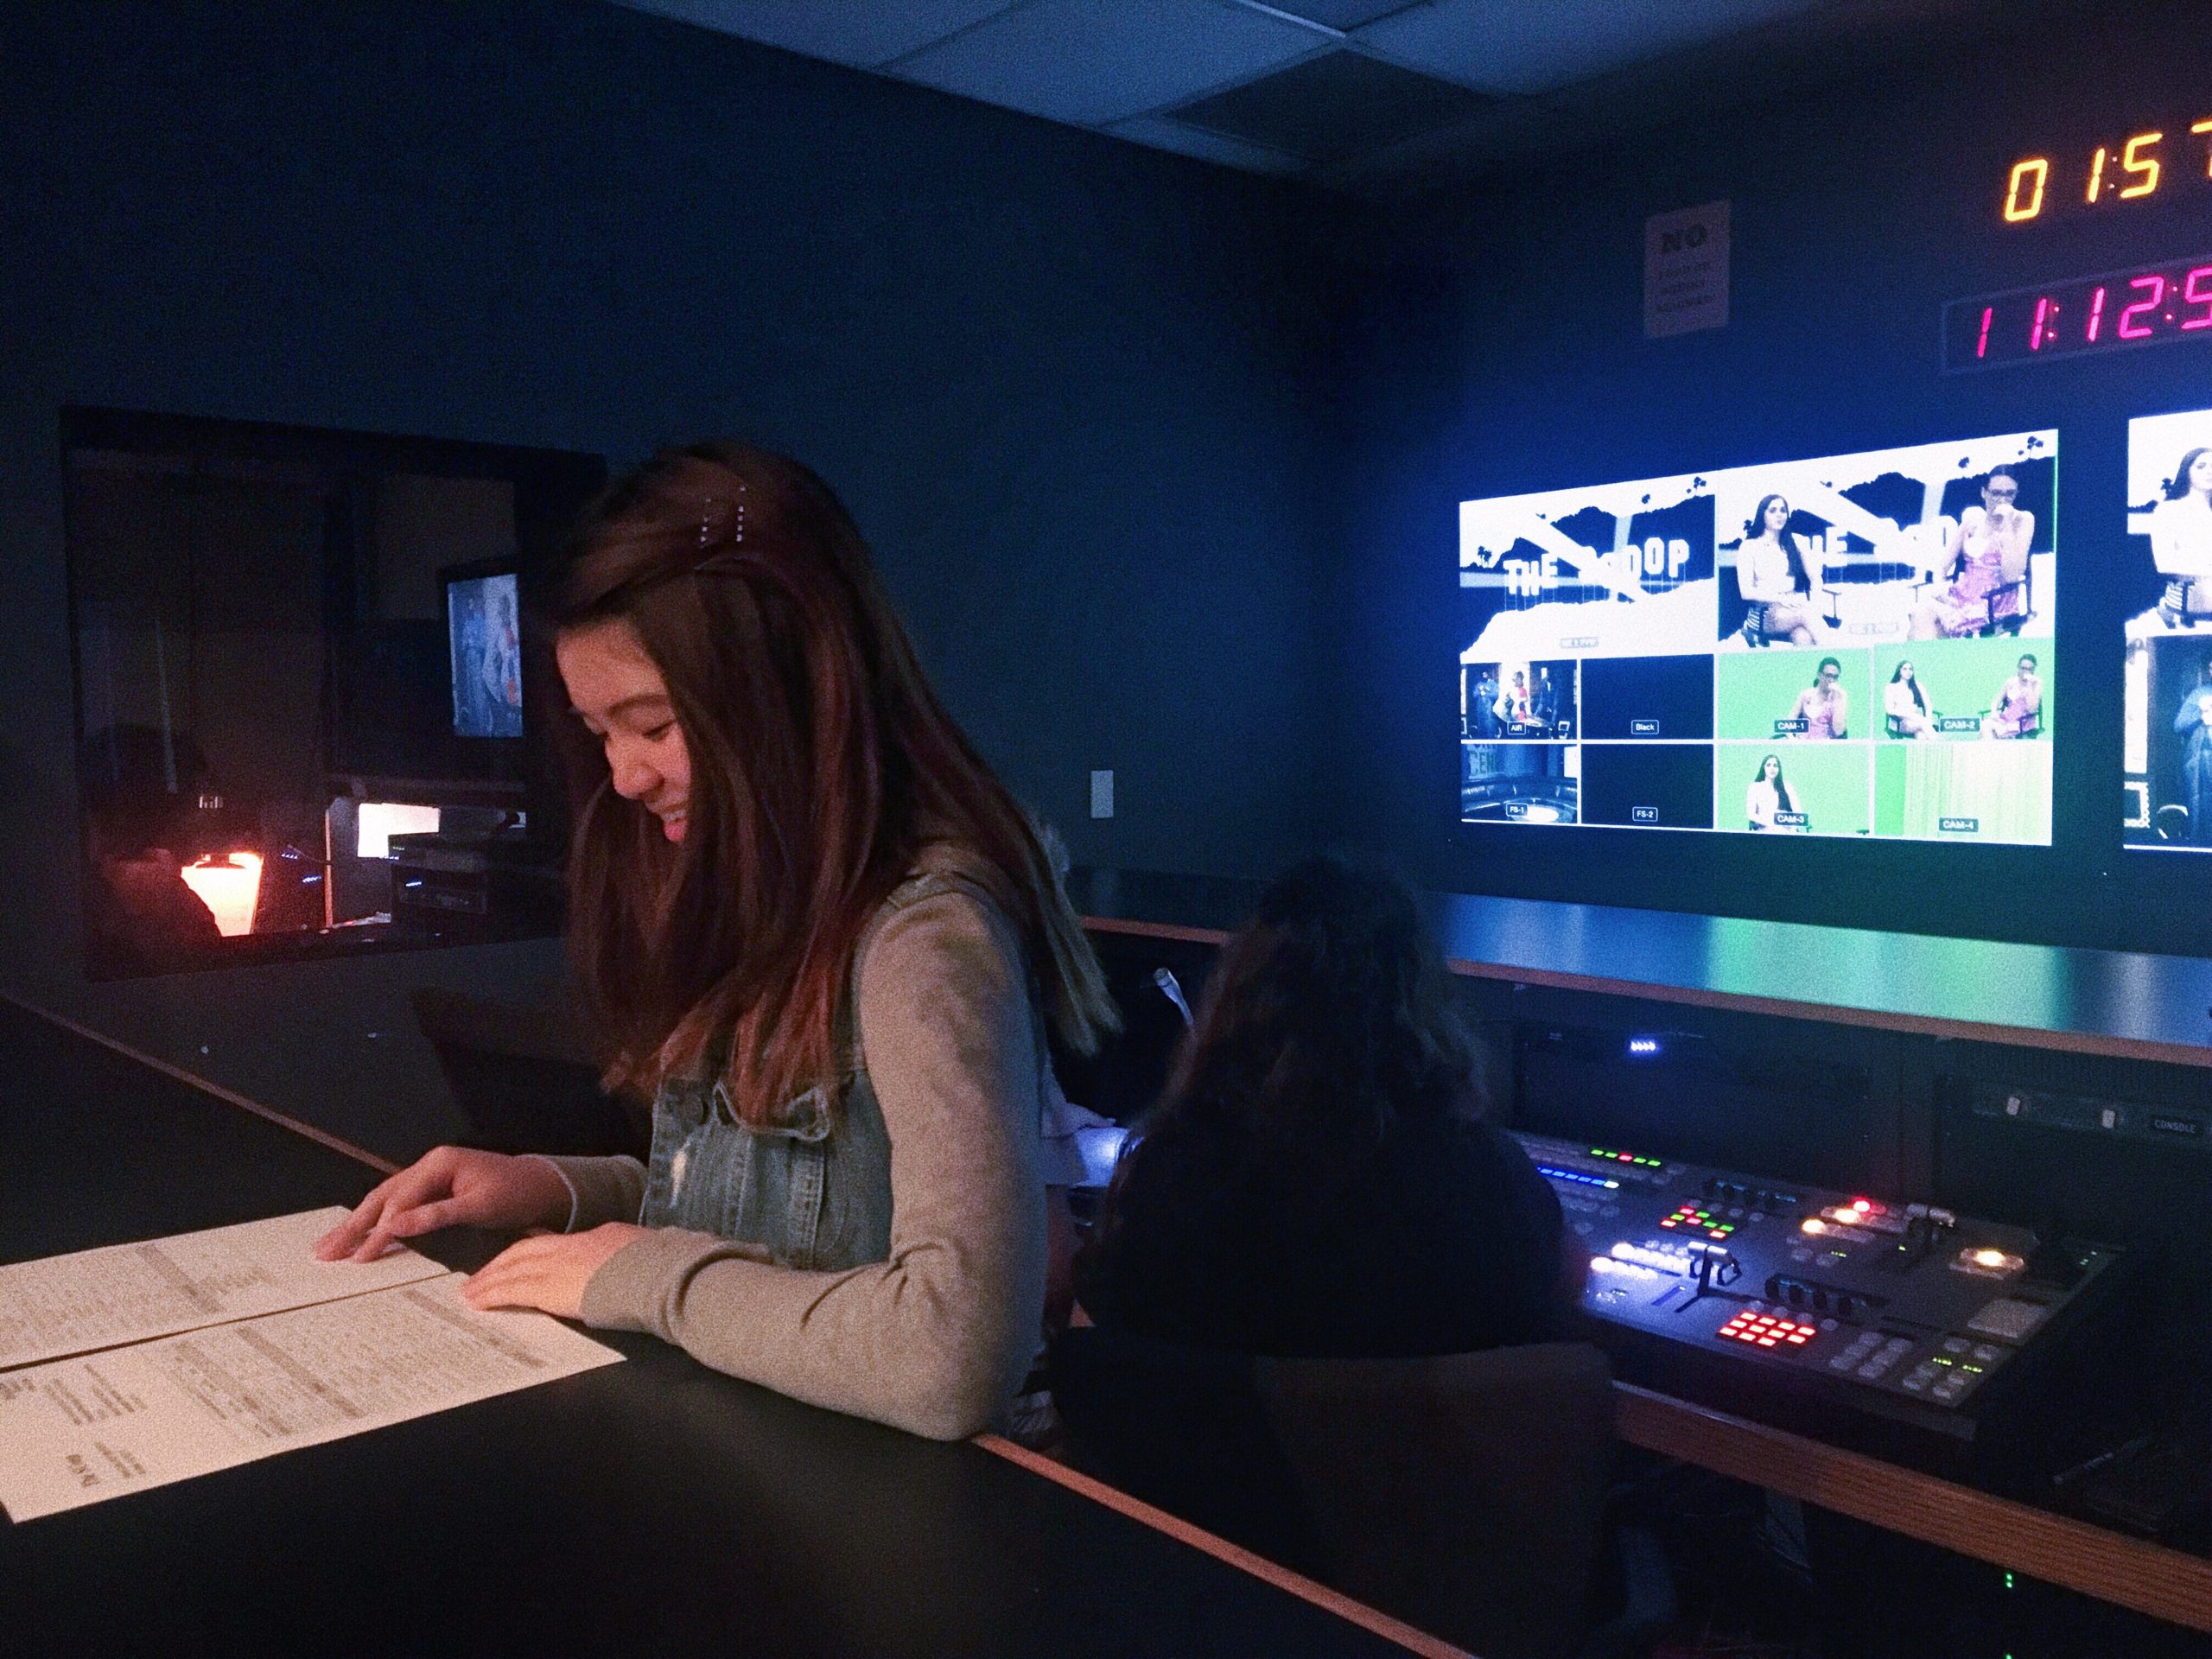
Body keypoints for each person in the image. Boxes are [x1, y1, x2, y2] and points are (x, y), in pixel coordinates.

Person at [315, 440, 1118, 1441]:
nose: (624, 777)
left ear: (786, 689)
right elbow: (758, 1216)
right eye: (600, 732)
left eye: (652, 726)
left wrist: (639, 1276)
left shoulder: (926, 937)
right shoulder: (761, 896)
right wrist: (555, 1188)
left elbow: (950, 1355)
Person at [1072, 858, 1574, 1360]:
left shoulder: (1166, 1177)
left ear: (1239, 994)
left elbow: (1102, 1340)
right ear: (1421, 1004)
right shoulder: (1487, 1178)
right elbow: (1566, 1286)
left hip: (1219, 1440)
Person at [1910, 469, 2034, 639]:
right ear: (1984, 493)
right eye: (1996, 493)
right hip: (1961, 597)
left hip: (1993, 602)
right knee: (1921, 615)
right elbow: (1941, 566)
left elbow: (2011, 575)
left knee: (1931, 633)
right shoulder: (1972, 523)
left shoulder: (2022, 520)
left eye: (2009, 494)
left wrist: (2006, 523)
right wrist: (1940, 589)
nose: (2002, 500)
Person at [1736, 494, 1825, 645]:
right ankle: (1842, 661)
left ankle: (1821, 668)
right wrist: (1780, 598)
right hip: (1764, 614)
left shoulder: (1797, 541)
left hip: (1794, 610)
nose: (1779, 515)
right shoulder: (1749, 546)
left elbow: (1816, 578)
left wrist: (1815, 604)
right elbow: (1746, 592)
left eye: (1783, 510)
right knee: (1807, 614)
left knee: (1803, 638)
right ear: (1762, 514)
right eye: (1773, 510)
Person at [2151, 447, 2212, 627]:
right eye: (2201, 466)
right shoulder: (2168, 511)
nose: (2210, 471)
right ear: (2187, 471)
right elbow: (2164, 563)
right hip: (2183, 618)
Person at [2174, 658, 2212, 845]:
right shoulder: (2200, 694)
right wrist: (2203, 711)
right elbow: (2179, 725)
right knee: (2203, 812)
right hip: (2203, 766)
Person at [1790, 657, 1849, 739]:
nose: (1831, 680)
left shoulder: (1837, 698)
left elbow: (1838, 730)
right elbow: (1790, 720)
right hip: (1803, 744)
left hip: (1827, 745)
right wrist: (1792, 740)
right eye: (1828, 675)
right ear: (1819, 675)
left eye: (1835, 677)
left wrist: (1841, 699)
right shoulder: (1805, 695)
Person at [1986, 653, 2042, 740]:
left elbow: (2031, 709)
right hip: (2007, 719)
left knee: (2007, 732)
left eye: (2029, 669)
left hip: (2023, 723)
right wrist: (1994, 712)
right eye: (2023, 668)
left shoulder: (2037, 683)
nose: (2025, 672)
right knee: (1986, 727)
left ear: (2033, 670)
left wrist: (2029, 685)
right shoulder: (2010, 682)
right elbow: (1996, 701)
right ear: (2018, 667)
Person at [1745, 753, 1797, 831]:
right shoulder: (1755, 787)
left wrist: (1793, 829)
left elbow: (1797, 811)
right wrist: (1771, 823)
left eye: (1775, 765)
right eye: (1768, 765)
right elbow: (1751, 815)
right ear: (1763, 768)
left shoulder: (1787, 786)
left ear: (1779, 769)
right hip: (1764, 830)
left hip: (1785, 831)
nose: (1772, 768)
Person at [1884, 659, 1932, 738]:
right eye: (1905, 669)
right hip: (1900, 722)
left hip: (1916, 720)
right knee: (1923, 723)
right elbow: (1890, 710)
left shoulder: (1918, 685)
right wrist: (1910, 715)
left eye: (1910, 669)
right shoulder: (1891, 687)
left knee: (1921, 735)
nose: (1908, 671)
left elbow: (1928, 705)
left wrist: (1929, 721)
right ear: (1899, 671)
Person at [1471, 666, 1500, 739]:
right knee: (1481, 726)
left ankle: (1491, 740)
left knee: (1490, 726)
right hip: (1480, 709)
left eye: (1485, 674)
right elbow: (1474, 695)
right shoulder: (1479, 684)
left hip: (1490, 710)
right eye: (1483, 674)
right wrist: (1480, 692)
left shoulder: (1493, 684)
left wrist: (1486, 694)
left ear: (1488, 674)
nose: (1484, 675)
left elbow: (1496, 695)